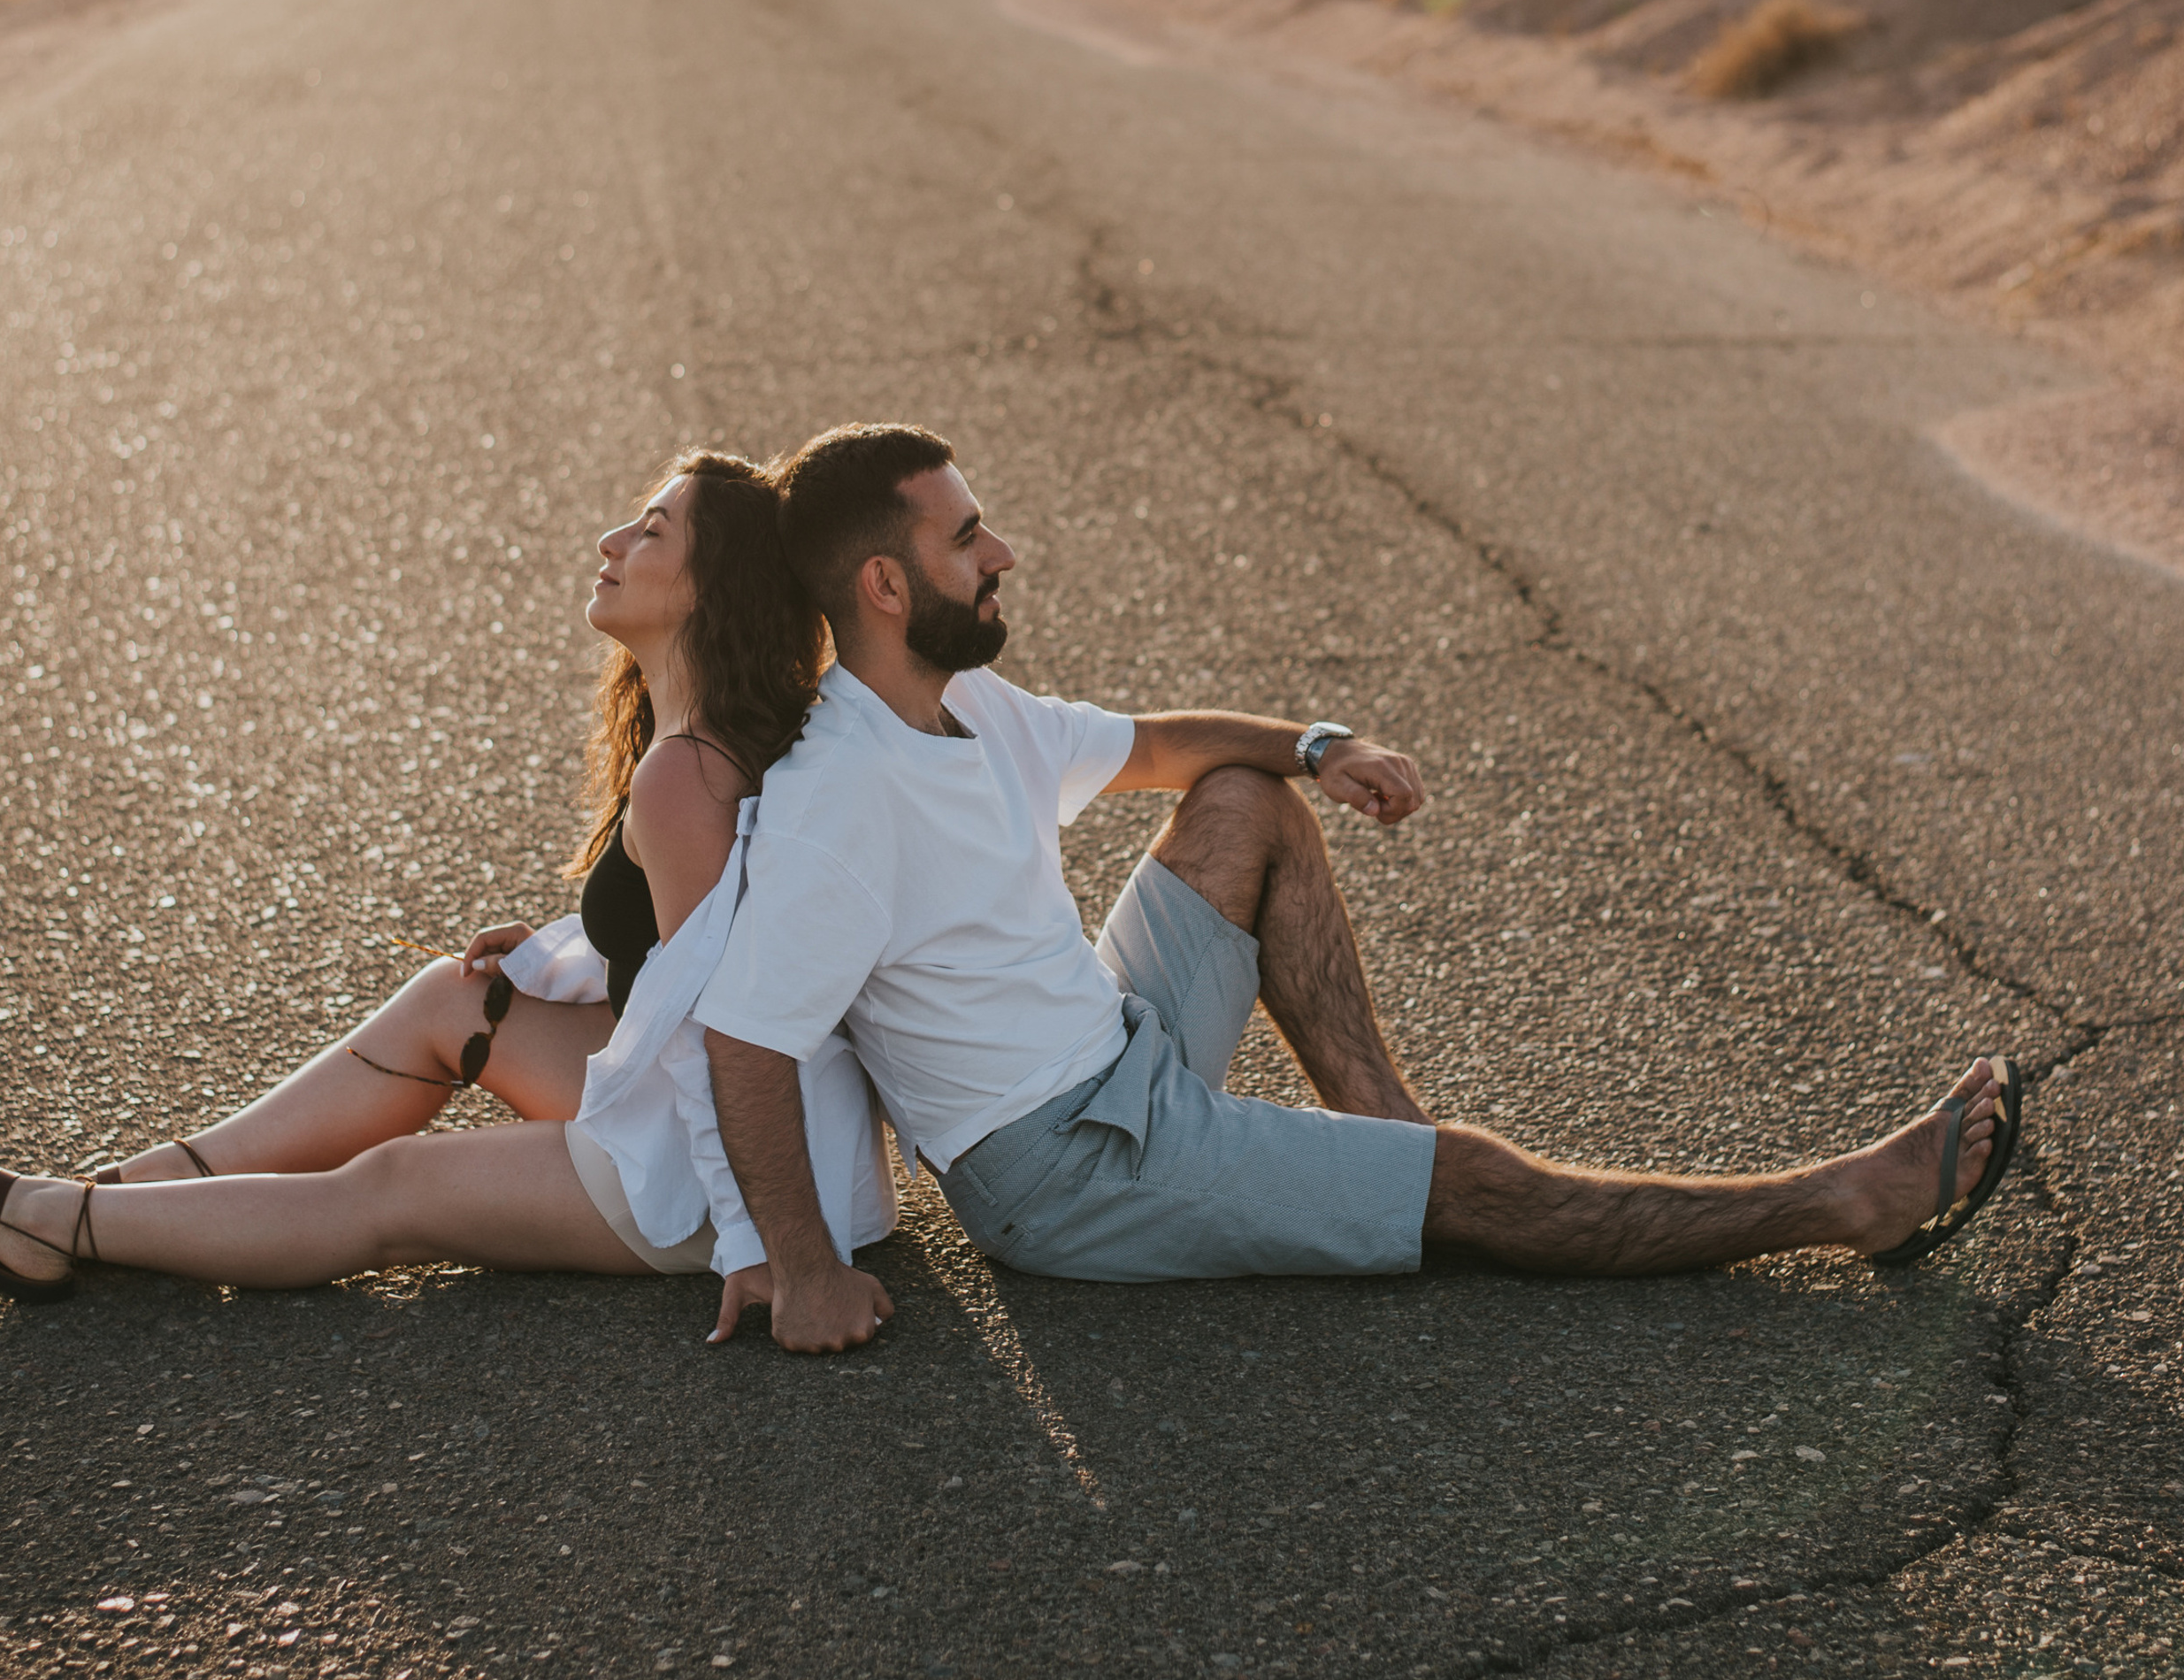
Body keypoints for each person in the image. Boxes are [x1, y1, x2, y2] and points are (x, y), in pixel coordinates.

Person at [696, 423, 2024, 1354]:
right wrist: (806, 1268)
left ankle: (1386, 1133)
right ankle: (1841, 1205)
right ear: (884, 583)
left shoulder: (968, 701)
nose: (1005, 554)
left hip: (1115, 1043)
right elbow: (746, 1038)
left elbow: (1161, 748)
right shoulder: (840, 795)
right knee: (1478, 1188)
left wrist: (1321, 748)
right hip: (1066, 1168)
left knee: (1242, 801)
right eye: (969, 536)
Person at [0, 450, 895, 1304]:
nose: (611, 540)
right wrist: (568, 945)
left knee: (387, 1191)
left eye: (650, 530)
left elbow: (719, 1032)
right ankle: (134, 1194)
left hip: (731, 1175)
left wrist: (758, 1249)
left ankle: (55, 1221)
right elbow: (720, 933)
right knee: (453, 996)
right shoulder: (707, 742)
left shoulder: (685, 775)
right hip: (780, 1139)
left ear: (707, 586)